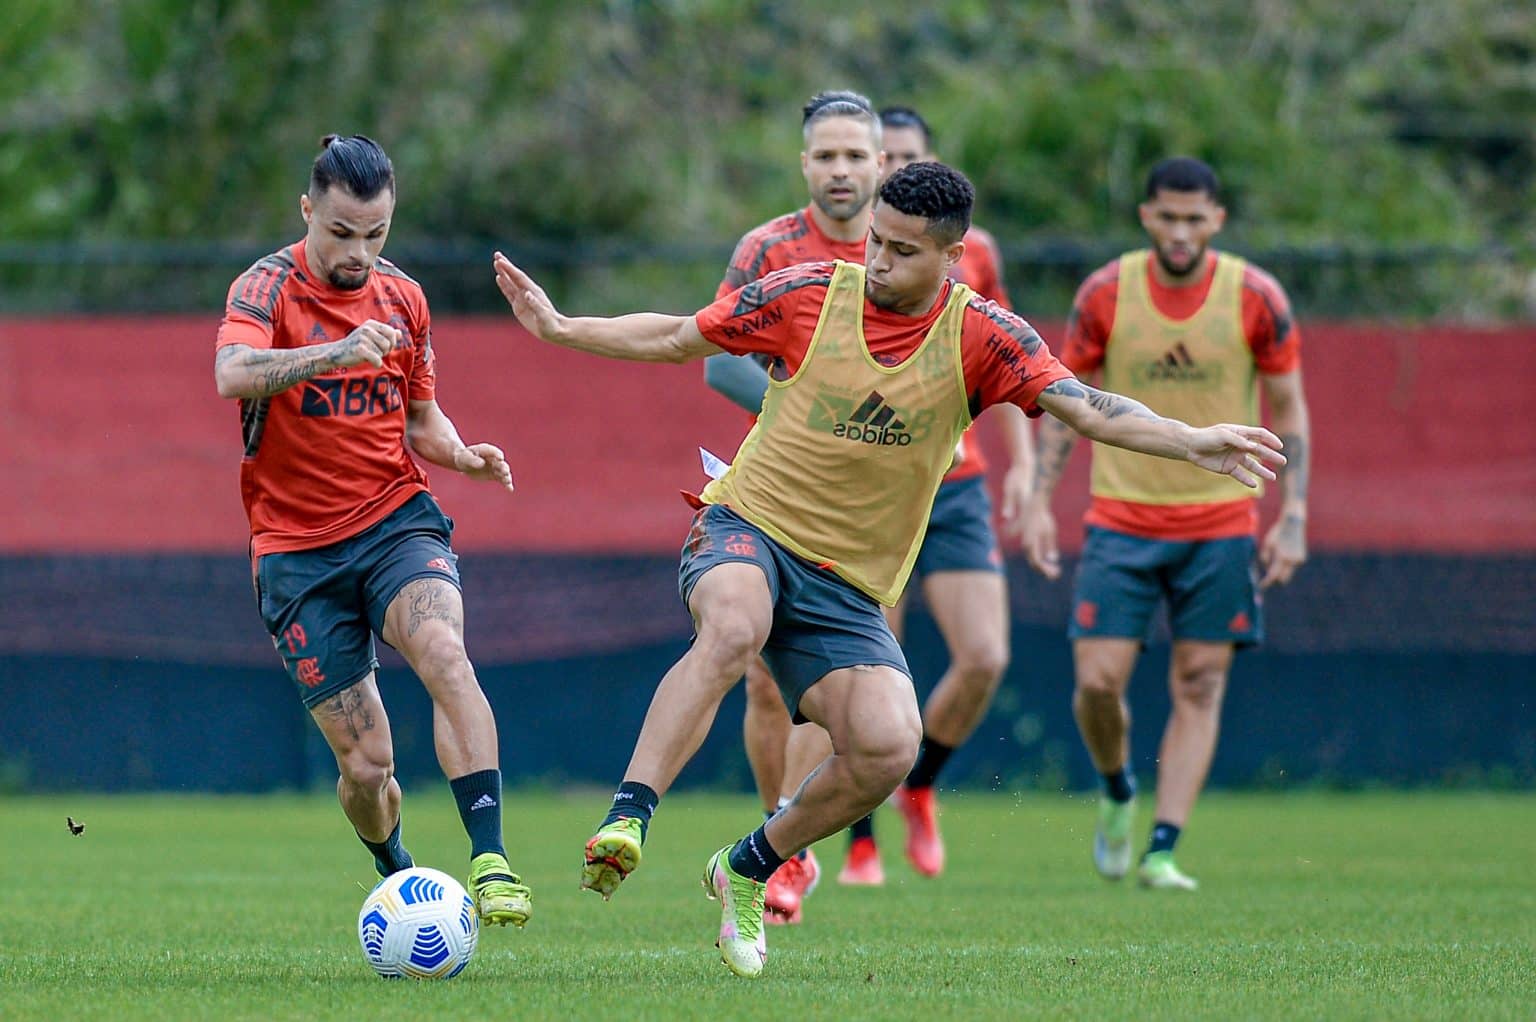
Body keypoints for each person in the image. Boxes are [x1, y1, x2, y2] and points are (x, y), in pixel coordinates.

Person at [493, 160, 1285, 977]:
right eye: (874, 240)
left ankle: (748, 867)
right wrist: (561, 327)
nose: (877, 261)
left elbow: (1086, 406)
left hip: (847, 585)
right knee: (734, 626)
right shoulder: (805, 293)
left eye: (903, 251)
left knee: (888, 746)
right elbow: (677, 337)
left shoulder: (985, 335)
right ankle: (630, 817)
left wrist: (1189, 439)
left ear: (952, 257)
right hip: (746, 526)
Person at [705, 99, 1034, 925]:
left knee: (984, 654)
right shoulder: (773, 249)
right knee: (792, 681)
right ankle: (795, 844)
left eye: (869, 155)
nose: (849, 169)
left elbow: (1014, 365)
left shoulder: (960, 253)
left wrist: (1022, 470)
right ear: (808, 162)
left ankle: (911, 790)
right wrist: (815, 412)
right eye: (831, 154)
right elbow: (715, 360)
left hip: (943, 483)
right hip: (820, 492)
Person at [213, 134, 532, 928]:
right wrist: (335, 349)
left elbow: (419, 416)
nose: (359, 252)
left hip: (395, 522)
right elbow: (232, 374)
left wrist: (458, 452)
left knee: (444, 652)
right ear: (307, 210)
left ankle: (490, 858)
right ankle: (400, 877)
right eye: (342, 232)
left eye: (377, 233)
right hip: (295, 555)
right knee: (368, 768)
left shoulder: (404, 299)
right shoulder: (266, 287)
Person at [1020, 156, 1311, 891]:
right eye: (1167, 217)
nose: (1180, 231)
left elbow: (1289, 410)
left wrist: (1294, 516)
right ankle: (1118, 791)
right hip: (1121, 521)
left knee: (1201, 681)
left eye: (1195, 218)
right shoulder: (1105, 294)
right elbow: (1064, 399)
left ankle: (1161, 847)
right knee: (1096, 683)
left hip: (1220, 525)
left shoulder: (1256, 297)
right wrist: (1038, 501)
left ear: (1216, 220)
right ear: (1146, 216)